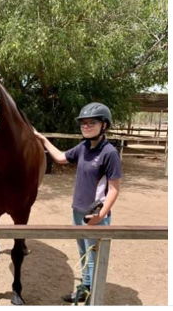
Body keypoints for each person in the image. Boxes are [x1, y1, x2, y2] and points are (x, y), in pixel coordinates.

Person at [34, 102, 122, 304]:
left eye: (92, 122)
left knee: (94, 259)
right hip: (78, 211)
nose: (86, 126)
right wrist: (43, 139)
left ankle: (93, 299)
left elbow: (115, 189)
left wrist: (101, 214)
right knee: (84, 254)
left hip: (95, 214)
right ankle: (85, 289)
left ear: (104, 125)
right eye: (83, 123)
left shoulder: (109, 153)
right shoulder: (83, 147)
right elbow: (60, 158)